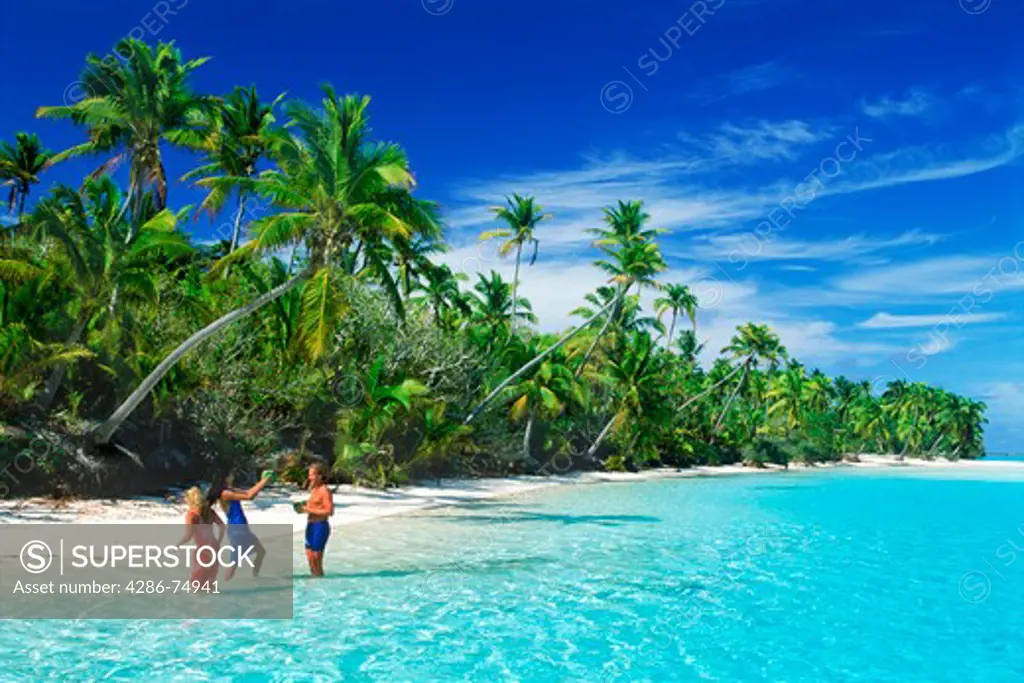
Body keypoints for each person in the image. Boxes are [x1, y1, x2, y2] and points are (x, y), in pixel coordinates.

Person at [208, 471, 273, 581]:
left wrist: (262, 482)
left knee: (260, 552)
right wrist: (264, 481)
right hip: (237, 530)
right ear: (225, 478)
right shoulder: (225, 493)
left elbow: (249, 492)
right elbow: (249, 496)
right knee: (234, 563)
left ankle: (255, 577)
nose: (233, 475)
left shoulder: (231, 490)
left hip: (241, 529)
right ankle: (225, 584)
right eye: (230, 474)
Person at [179, 486, 225, 584]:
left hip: (202, 550)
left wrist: (176, 546)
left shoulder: (191, 515)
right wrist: (218, 542)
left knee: (197, 582)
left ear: (190, 500)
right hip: (213, 547)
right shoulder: (210, 512)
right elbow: (222, 527)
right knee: (210, 582)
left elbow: (188, 536)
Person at [297, 463, 334, 577]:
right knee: (310, 558)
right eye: (309, 475)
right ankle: (314, 584)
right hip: (311, 526)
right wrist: (302, 508)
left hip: (320, 526)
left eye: (312, 475)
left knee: (316, 560)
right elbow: (313, 507)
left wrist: (307, 509)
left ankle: (320, 583)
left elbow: (329, 511)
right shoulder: (314, 489)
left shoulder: (325, 491)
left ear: (320, 476)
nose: (310, 478)